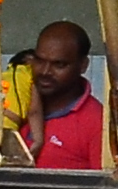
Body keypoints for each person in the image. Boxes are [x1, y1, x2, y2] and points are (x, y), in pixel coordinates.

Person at [25, 22, 104, 171]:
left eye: (59, 64)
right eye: (39, 61)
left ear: (83, 66)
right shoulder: (16, 102)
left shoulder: (97, 123)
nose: (45, 72)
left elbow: (106, 188)